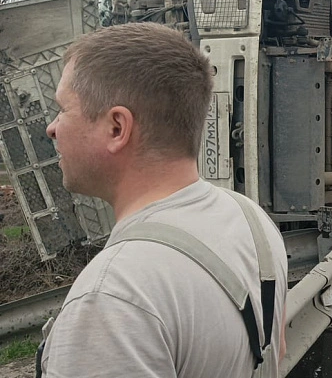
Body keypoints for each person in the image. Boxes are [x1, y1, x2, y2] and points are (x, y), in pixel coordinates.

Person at [39, 22, 288, 377]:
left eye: (63, 109)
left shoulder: (112, 296)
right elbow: (273, 350)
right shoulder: (250, 219)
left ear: (116, 128)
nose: (52, 127)